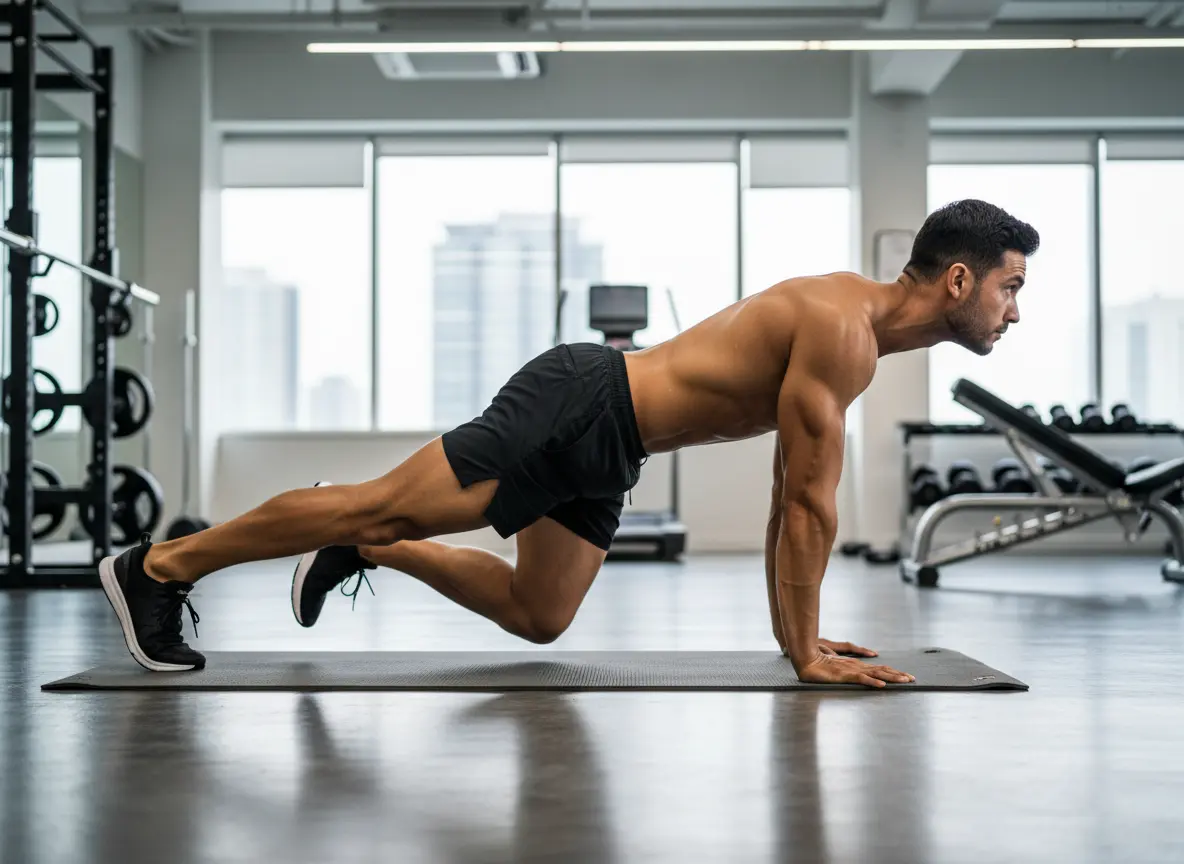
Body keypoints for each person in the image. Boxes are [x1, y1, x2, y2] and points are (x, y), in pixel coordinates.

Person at [100, 198, 1038, 687]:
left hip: (612, 446)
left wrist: (799, 639)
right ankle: (158, 567)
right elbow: (804, 503)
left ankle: (366, 548)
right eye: (1009, 288)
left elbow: (792, 494)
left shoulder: (855, 335)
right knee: (374, 493)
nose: (1014, 310)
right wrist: (802, 656)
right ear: (958, 279)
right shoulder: (842, 331)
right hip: (585, 402)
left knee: (540, 614)